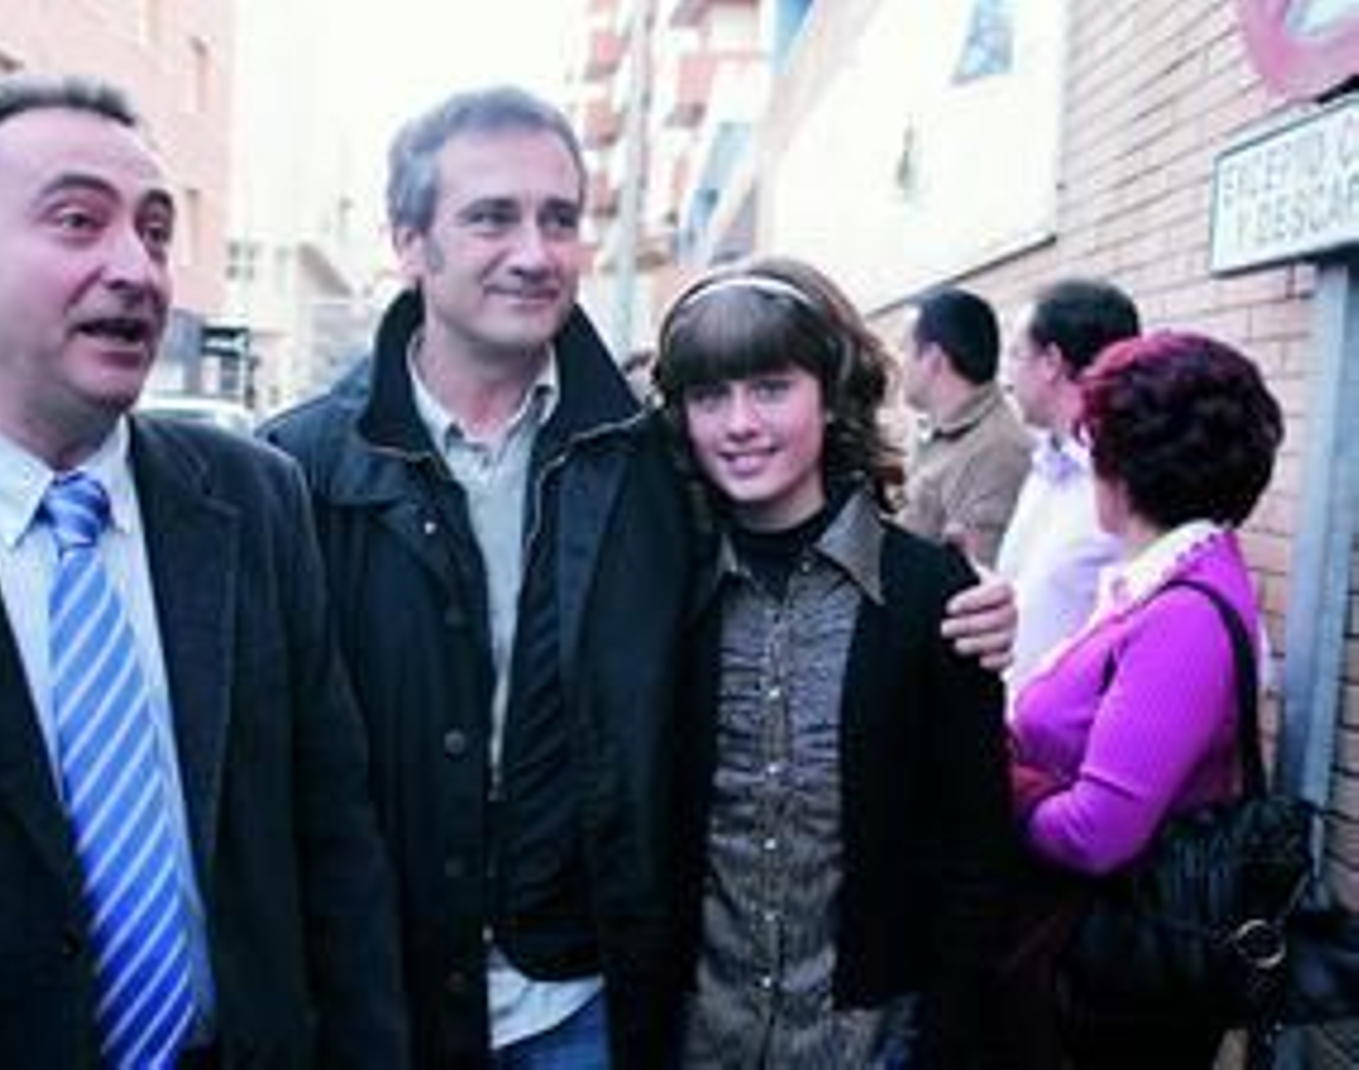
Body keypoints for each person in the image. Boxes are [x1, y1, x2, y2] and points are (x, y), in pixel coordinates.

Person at [261, 86, 1017, 1069]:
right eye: (491, 215)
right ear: (407, 240)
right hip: (380, 1008)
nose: (534, 250)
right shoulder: (288, 474)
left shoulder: (645, 466)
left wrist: (962, 603)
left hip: (589, 1005)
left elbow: (801, 542)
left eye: (560, 218)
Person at [0, 74, 406, 1068]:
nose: (135, 269)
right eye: (77, 221)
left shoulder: (256, 500)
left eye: (154, 231)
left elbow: (335, 848)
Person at [655, 256, 1013, 1067]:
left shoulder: (931, 594)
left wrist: (949, 1040)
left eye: (771, 387)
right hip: (697, 1036)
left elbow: (975, 849)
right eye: (711, 396)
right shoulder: (660, 592)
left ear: (831, 392)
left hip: (869, 1042)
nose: (740, 422)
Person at [1009, 330, 1284, 1066]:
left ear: (1120, 463)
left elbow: (1099, 833)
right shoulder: (1169, 578)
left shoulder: (1182, 618)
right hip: (1100, 962)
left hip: (1115, 976)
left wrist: (994, 774)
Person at [996, 279, 1139, 694]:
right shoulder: (1045, 465)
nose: (1006, 377)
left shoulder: (1127, 482)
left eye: (1016, 354)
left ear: (1051, 362)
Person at [898, 287, 1032, 567]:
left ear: (933, 358)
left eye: (904, 349)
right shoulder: (938, 431)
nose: (899, 364)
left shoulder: (999, 451)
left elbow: (974, 582)